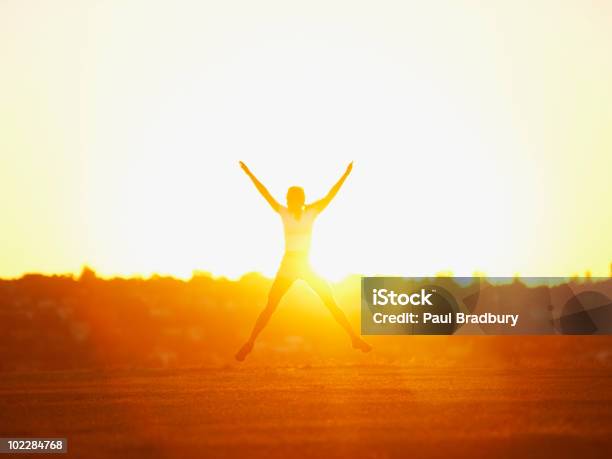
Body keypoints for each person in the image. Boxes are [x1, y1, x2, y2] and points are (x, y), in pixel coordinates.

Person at [235, 161, 372, 361]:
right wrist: (249, 173)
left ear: (300, 200)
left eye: (291, 198)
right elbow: (264, 193)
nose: (288, 201)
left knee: (330, 302)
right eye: (288, 199)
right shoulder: (284, 212)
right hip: (289, 264)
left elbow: (331, 195)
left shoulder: (311, 211)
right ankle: (250, 343)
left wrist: (345, 174)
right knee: (271, 305)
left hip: (306, 264)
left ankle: (354, 338)